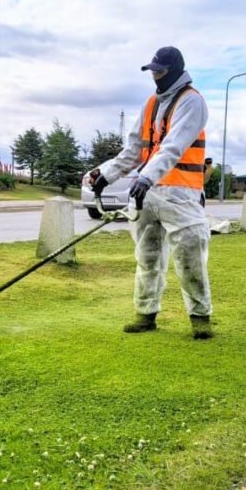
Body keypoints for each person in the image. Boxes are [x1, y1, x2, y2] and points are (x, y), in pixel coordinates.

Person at [87, 46, 213, 339]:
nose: (155, 76)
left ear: (175, 71)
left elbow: (173, 146)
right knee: (147, 256)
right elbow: (133, 149)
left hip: (180, 193)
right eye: (152, 70)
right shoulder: (150, 104)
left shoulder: (192, 102)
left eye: (160, 70)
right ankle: (145, 314)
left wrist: (145, 178)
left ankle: (200, 318)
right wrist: (106, 175)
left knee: (189, 254)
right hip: (147, 194)